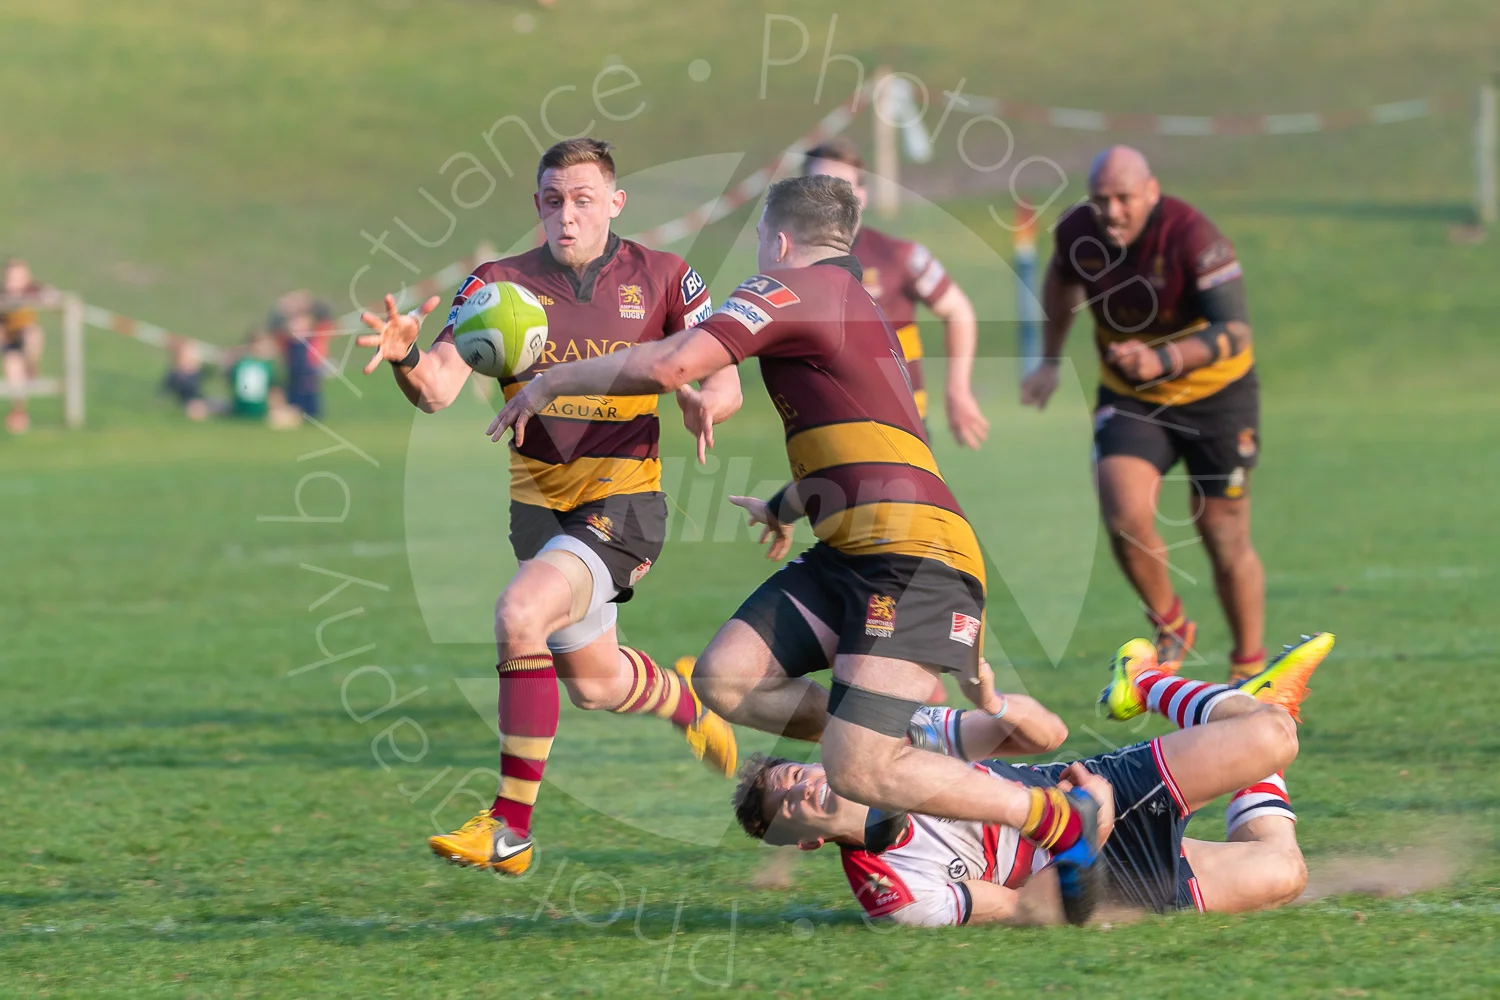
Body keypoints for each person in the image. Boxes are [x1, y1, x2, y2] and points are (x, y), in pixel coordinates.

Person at [486, 174, 1108, 923]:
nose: (754, 256)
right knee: (726, 678)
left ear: (777, 240)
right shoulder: (847, 298)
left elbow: (672, 364)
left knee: (857, 768)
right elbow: (862, 436)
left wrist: (552, 379)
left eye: (756, 242)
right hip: (848, 549)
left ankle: (1056, 820)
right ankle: (897, 731)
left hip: (912, 558)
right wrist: (787, 502)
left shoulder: (791, 289)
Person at [356, 138, 740, 877]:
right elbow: (436, 390)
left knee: (519, 615)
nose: (568, 216)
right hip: (538, 511)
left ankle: (510, 829)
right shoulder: (496, 287)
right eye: (554, 201)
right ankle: (687, 701)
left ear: (616, 203)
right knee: (595, 683)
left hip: (625, 501)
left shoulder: (665, 278)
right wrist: (407, 355)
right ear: (537, 205)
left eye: (584, 199)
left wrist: (703, 399)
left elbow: (724, 374)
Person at [732, 632, 1331, 926]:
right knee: (1286, 872)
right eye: (786, 804)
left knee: (1274, 737)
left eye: (791, 773)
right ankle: (1243, 701)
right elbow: (1026, 909)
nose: (799, 787)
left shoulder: (894, 742)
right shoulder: (895, 895)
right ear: (806, 840)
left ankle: (1141, 683)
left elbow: (1045, 732)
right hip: (1097, 876)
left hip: (1090, 787)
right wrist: (1085, 841)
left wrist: (995, 702)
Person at [1020, 147, 1266, 682]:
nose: (1111, 211)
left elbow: (1235, 332)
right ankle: (1171, 626)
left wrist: (1165, 358)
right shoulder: (1078, 232)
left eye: (1123, 198)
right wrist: (1049, 361)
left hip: (1216, 395)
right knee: (1123, 509)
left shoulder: (1194, 237)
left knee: (1221, 531)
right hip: (1133, 395)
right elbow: (1062, 284)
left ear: (1150, 192)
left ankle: (1251, 666)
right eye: (1100, 199)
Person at [802, 138, 988, 449]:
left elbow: (958, 311)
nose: (830, 200)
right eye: (819, 187)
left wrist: (958, 389)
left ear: (862, 195)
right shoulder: (788, 266)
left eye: (842, 188)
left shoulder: (896, 256)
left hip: (902, 432)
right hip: (824, 434)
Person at [1, 258, 58, 434]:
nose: (15, 280)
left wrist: (48, 296)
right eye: (12, 276)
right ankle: (18, 413)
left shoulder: (32, 290)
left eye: (19, 276)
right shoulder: (3, 294)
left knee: (32, 334)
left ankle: (31, 365)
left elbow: (52, 296)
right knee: (13, 370)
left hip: (27, 339)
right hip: (9, 342)